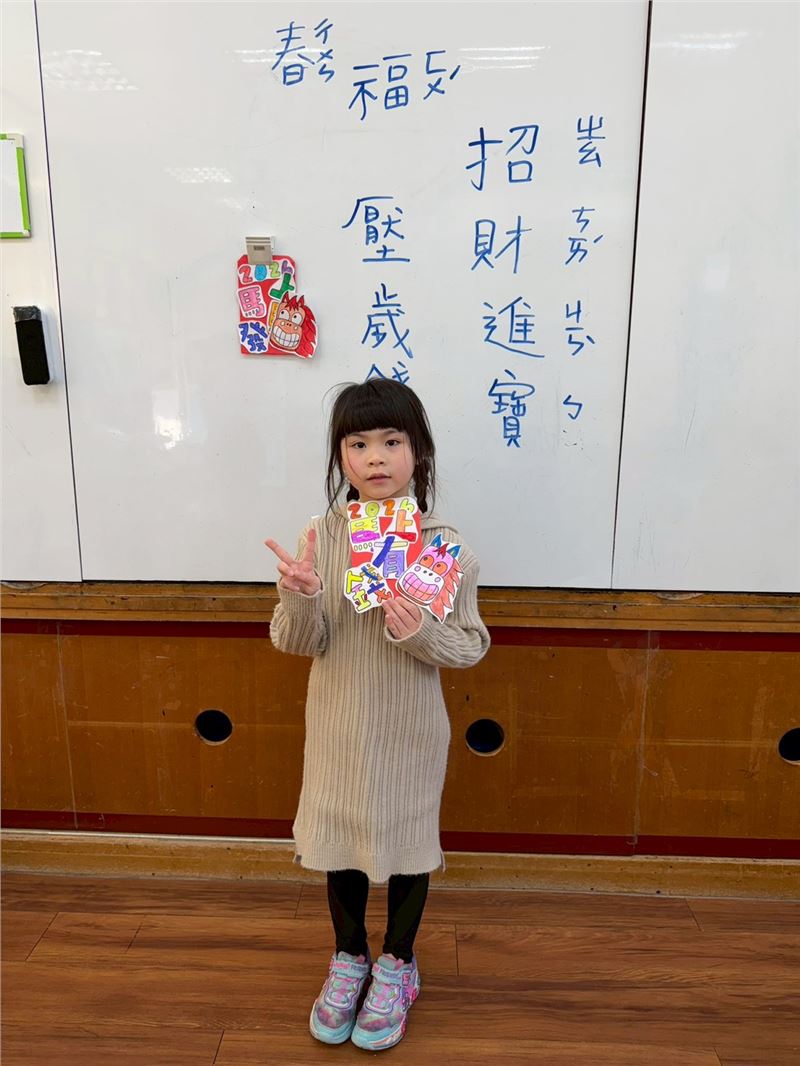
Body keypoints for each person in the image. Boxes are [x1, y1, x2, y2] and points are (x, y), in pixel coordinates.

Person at [265, 378, 490, 1052]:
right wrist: (300, 596)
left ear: (418, 452)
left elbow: (470, 647)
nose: (376, 457)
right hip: (338, 726)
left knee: (409, 846)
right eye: (358, 444)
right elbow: (298, 642)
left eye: (392, 441)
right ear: (341, 457)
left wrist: (419, 631)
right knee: (339, 845)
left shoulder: (445, 545)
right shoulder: (319, 537)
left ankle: (397, 964)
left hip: (411, 730)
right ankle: (348, 957)